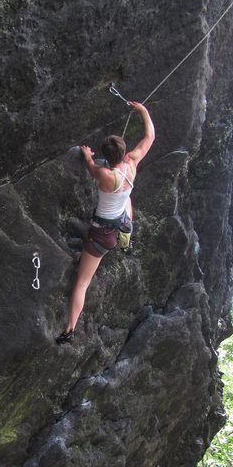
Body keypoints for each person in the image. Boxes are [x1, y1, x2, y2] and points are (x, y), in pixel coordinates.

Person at [56, 101, 155, 344]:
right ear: (124, 152)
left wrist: (88, 156)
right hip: (120, 219)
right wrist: (142, 110)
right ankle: (126, 236)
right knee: (126, 198)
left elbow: (91, 166)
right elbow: (150, 135)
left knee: (82, 282)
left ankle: (69, 330)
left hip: (101, 235)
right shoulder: (132, 163)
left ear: (106, 156)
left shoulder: (105, 175)